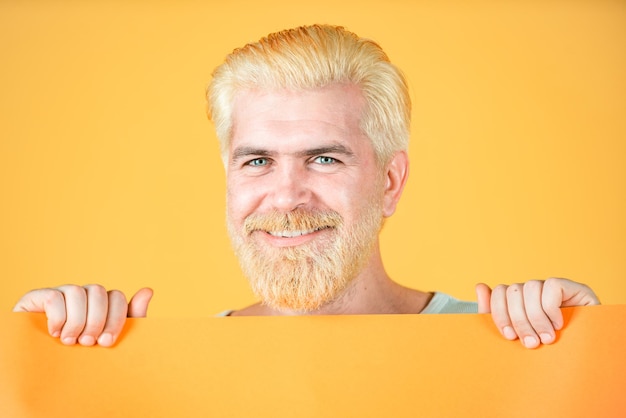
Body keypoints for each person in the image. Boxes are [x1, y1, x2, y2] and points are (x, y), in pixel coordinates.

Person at [13, 24, 599, 349]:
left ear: (390, 182)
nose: (287, 195)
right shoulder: (156, 368)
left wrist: (587, 359)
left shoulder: (512, 344)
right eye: (257, 161)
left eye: (323, 158)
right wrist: (36, 363)